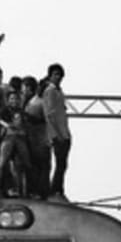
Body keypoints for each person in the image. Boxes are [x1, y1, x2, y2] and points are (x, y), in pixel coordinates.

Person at [42, 63, 71, 198]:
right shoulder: (50, 91)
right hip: (57, 134)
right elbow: (49, 114)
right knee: (60, 163)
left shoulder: (59, 91)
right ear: (50, 76)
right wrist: (57, 134)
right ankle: (55, 189)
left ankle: (58, 188)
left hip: (64, 133)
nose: (58, 77)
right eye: (55, 75)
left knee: (63, 164)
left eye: (60, 75)